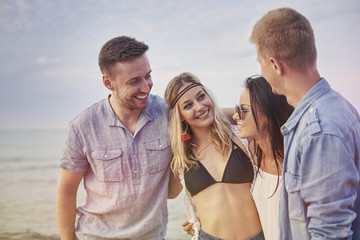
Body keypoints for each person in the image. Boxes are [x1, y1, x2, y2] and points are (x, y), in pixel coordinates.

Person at [56, 36, 182, 240]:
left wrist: (248, 111)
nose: (146, 87)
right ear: (108, 82)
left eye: (147, 76)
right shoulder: (82, 126)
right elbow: (66, 191)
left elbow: (206, 116)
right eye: (134, 81)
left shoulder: (168, 114)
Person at [250, 7, 360, 239]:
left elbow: (330, 232)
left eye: (260, 63)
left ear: (275, 64)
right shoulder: (337, 105)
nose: (261, 70)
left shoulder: (318, 131)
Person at [164, 72, 264, 240]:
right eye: (188, 105)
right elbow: (169, 194)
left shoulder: (240, 137)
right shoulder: (182, 157)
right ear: (178, 115)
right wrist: (195, 221)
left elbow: (259, 112)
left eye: (201, 96)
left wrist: (217, 111)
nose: (199, 106)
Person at [232, 76, 293, 240]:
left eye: (243, 110)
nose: (236, 116)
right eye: (237, 109)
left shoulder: (294, 159)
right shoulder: (251, 152)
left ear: (268, 112)